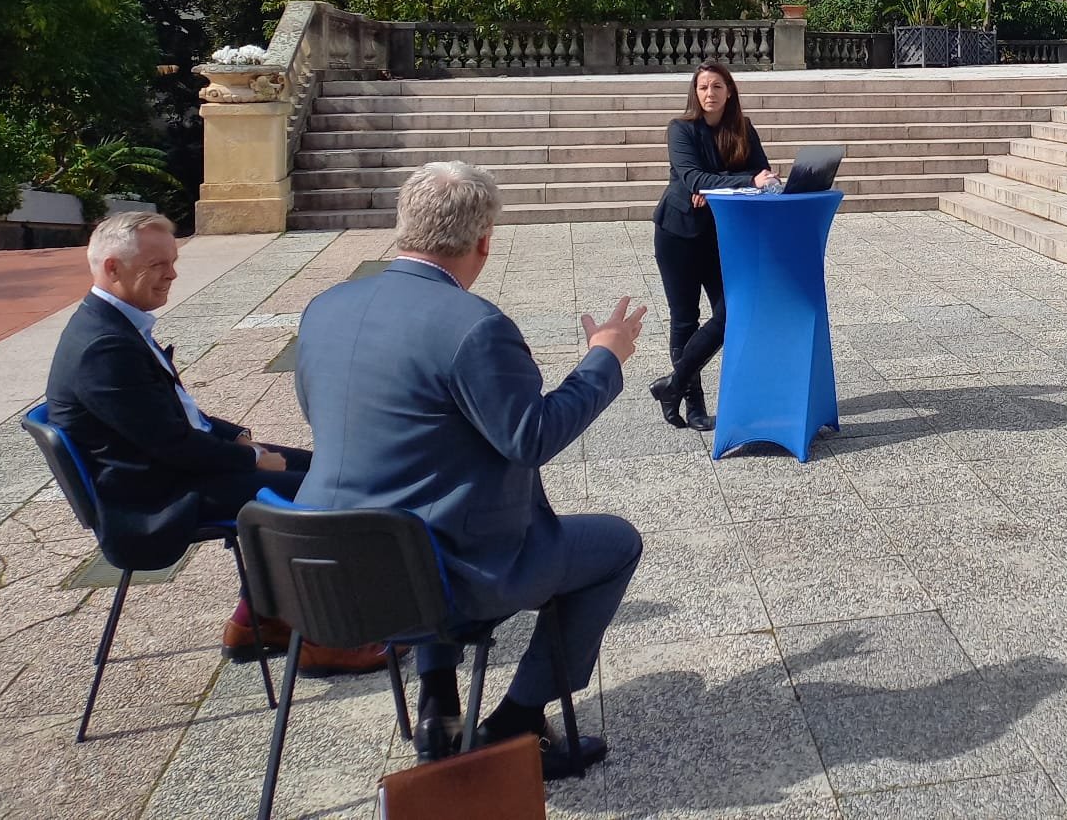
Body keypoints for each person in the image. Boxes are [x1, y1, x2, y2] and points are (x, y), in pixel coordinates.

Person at [293, 162, 646, 777]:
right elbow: (531, 437)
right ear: (484, 241)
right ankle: (516, 720)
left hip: (327, 565)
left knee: (418, 515)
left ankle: (439, 701)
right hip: (443, 573)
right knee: (615, 545)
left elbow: (318, 412)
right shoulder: (475, 326)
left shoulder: (324, 307)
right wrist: (602, 359)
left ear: (403, 224)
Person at [44, 211, 384, 675]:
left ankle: (258, 620)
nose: (172, 273)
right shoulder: (102, 347)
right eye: (157, 264)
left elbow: (176, 416)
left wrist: (237, 438)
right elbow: (173, 445)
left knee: (329, 466)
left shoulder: (113, 325)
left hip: (170, 472)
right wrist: (250, 458)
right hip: (155, 498)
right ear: (112, 268)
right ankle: (325, 641)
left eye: (173, 260)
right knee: (326, 492)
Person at [648, 59, 778, 429]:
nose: (709, 93)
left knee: (733, 312)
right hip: (678, 234)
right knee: (684, 319)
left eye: (717, 86)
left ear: (730, 91)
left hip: (723, 236)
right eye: (703, 87)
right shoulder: (681, 130)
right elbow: (691, 177)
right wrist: (735, 181)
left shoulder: (743, 129)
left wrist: (718, 184)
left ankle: (673, 383)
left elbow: (763, 175)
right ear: (695, 92)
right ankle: (693, 405)